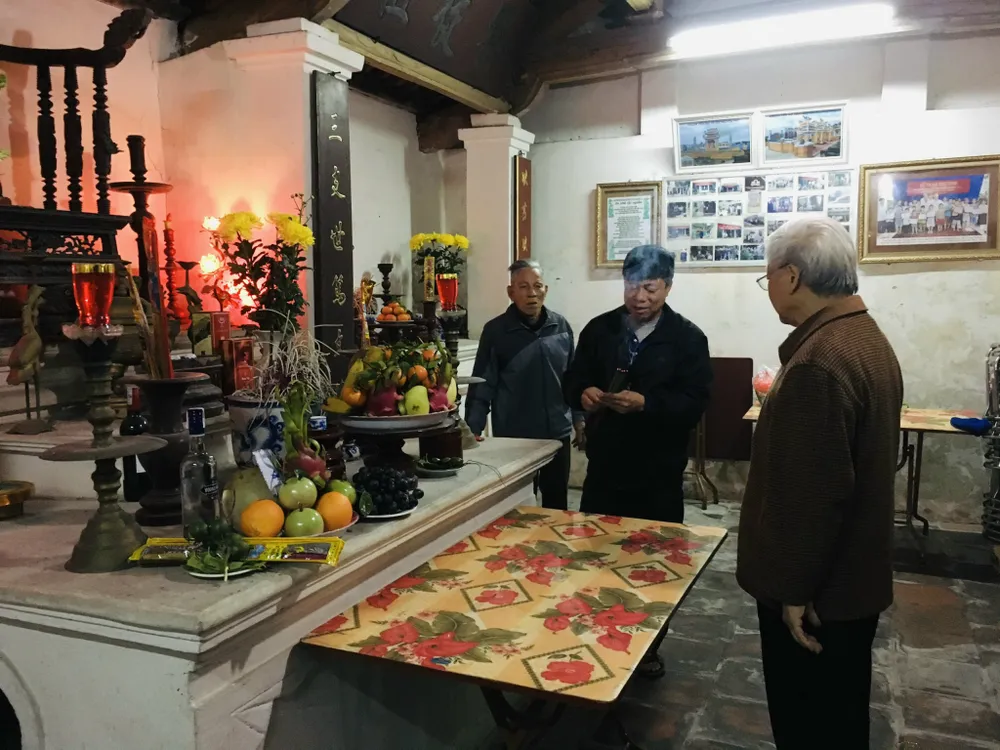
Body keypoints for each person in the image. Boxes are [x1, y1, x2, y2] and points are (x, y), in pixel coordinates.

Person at [737, 216, 903, 750]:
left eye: (767, 277)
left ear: (791, 276)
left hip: (821, 598)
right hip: (852, 579)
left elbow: (814, 497)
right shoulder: (863, 336)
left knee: (810, 723)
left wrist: (793, 591)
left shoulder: (819, 361)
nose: (769, 288)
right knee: (840, 717)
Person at [564, 244, 712, 526]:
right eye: (631, 286)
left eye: (649, 288)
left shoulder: (687, 338)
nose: (639, 297)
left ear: (668, 287)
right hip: (605, 470)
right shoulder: (600, 329)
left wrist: (646, 404)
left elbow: (696, 402)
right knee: (597, 544)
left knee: (656, 548)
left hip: (659, 474)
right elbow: (573, 378)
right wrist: (582, 393)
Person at [465, 260, 582, 510]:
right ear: (511, 292)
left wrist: (579, 420)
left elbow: (574, 379)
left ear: (546, 290)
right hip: (515, 436)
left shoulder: (560, 326)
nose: (532, 293)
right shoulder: (496, 331)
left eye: (537, 286)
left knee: (556, 504)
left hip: (556, 433)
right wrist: (472, 428)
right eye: (523, 286)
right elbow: (482, 383)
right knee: (517, 505)